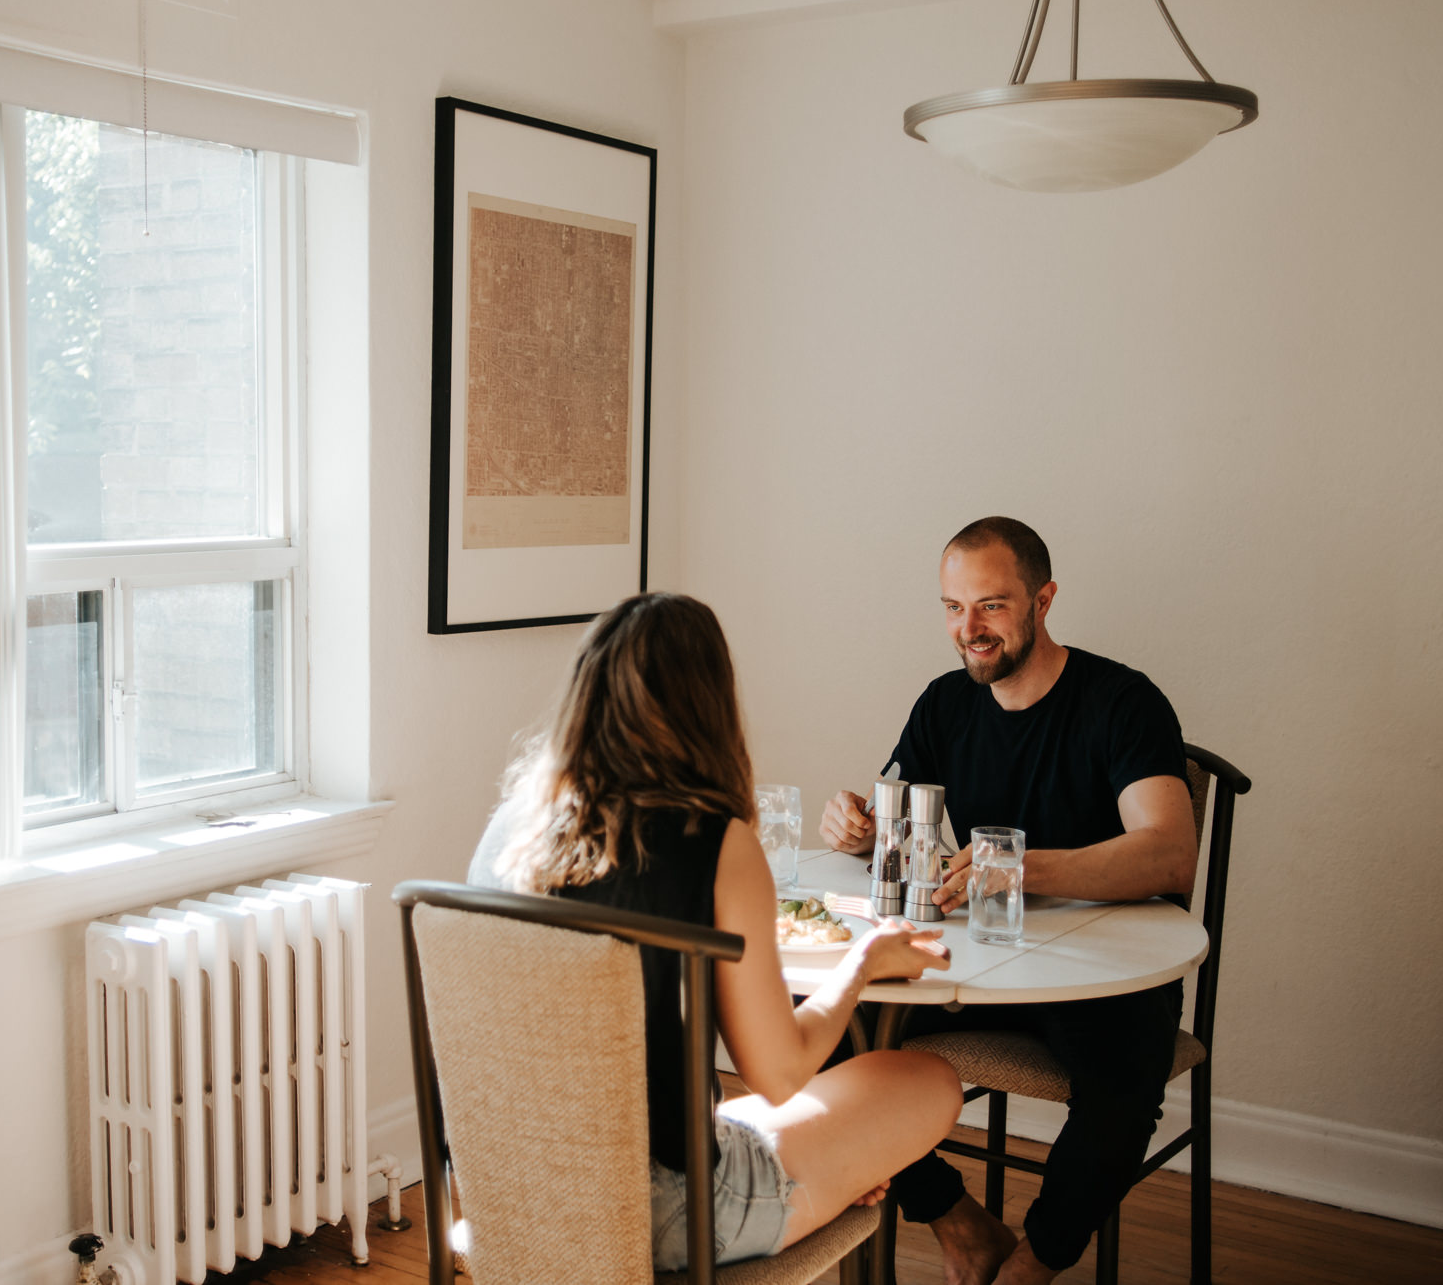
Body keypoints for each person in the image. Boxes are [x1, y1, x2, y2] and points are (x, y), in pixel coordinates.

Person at [468, 591, 963, 1273]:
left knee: (768, 1120)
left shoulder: (510, 828)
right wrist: (865, 961)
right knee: (925, 1080)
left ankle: (830, 1174)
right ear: (711, 703)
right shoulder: (715, 843)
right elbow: (781, 1074)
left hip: (509, 1190)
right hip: (665, 1212)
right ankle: (831, 1181)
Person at [819, 516, 1197, 1285]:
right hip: (980, 965)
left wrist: (1022, 869)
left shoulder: (1123, 701)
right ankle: (961, 1227)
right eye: (954, 608)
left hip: (1105, 972)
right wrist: (857, 829)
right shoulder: (946, 703)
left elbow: (1170, 852)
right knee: (824, 1027)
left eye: (991, 605)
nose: (970, 630)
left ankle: (1034, 1264)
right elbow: (898, 824)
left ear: (1043, 599)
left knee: (1125, 1085)